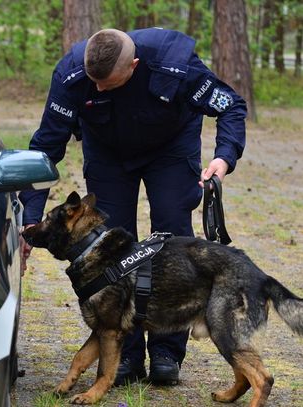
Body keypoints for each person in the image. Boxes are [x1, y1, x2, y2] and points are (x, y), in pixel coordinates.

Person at [19, 28, 247, 386]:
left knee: (172, 238)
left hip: (170, 149)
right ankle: (123, 355)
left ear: (134, 65)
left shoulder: (175, 65)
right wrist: (30, 220)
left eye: (106, 84)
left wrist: (224, 157)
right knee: (107, 251)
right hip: (107, 153)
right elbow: (45, 148)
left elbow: (230, 105)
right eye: (93, 83)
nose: (96, 90)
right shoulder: (72, 76)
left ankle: (166, 351)